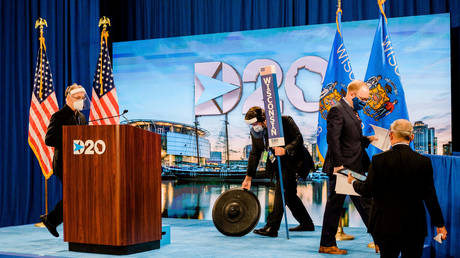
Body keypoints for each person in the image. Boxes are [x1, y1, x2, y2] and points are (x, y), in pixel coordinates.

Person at [348, 119, 447, 257]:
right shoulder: (424, 162)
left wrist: (353, 182)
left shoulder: (378, 160)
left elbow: (367, 191)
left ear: (391, 136)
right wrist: (440, 224)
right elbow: (430, 197)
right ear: (411, 137)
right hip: (414, 227)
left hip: (384, 226)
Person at [319, 80, 377, 254]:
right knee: (342, 206)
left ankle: (327, 243)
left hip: (354, 165)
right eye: (363, 99)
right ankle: (327, 244)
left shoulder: (352, 111)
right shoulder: (337, 109)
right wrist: (338, 165)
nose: (365, 103)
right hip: (343, 168)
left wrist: (368, 140)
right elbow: (333, 140)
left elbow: (350, 139)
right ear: (352, 94)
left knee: (363, 204)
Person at [242, 106, 315, 237]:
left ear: (263, 119)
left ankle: (272, 227)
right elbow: (255, 154)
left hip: (295, 161)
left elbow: (298, 139)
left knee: (281, 191)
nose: (253, 127)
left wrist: (285, 149)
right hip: (278, 164)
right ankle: (306, 223)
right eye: (251, 125)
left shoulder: (285, 121)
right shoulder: (256, 133)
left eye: (254, 123)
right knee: (289, 195)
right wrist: (248, 177)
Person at [40, 83, 87, 237]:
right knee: (75, 194)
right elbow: (49, 139)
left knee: (77, 194)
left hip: (79, 163)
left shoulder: (81, 117)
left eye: (82, 98)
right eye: (77, 97)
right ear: (68, 98)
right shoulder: (58, 116)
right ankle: (52, 219)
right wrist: (70, 139)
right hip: (64, 163)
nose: (80, 100)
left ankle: (52, 220)